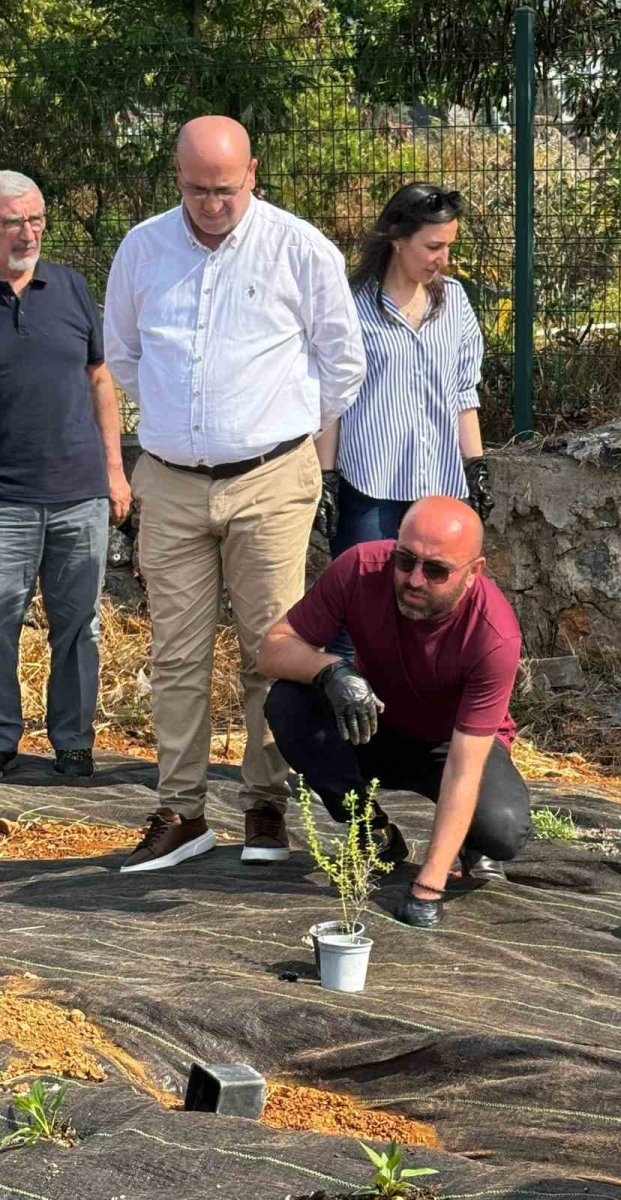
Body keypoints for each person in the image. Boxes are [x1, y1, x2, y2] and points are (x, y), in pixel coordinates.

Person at [103, 116, 366, 873]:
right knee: (175, 652)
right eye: (195, 189)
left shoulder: (299, 248)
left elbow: (340, 363)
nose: (211, 204)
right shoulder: (144, 248)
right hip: (173, 481)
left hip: (271, 478)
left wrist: (280, 433)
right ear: (175, 177)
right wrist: (183, 426)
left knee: (270, 648)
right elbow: (123, 351)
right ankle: (183, 812)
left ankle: (264, 806)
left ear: (253, 171)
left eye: (224, 189)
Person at [259, 495, 532, 928]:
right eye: (405, 560)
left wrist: (428, 888)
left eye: (437, 570)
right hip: (374, 723)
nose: (415, 579)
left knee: (502, 830)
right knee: (287, 703)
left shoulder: (493, 636)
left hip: (450, 744)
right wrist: (331, 670)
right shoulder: (360, 567)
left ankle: (470, 844)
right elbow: (272, 649)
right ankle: (372, 831)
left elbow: (463, 770)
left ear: (473, 572)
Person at [313, 182, 494, 656]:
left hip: (438, 487)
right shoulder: (350, 307)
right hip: (369, 489)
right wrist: (326, 477)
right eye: (433, 246)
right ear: (397, 238)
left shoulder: (454, 303)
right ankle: (347, 720)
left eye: (449, 246)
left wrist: (475, 466)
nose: (443, 258)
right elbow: (334, 397)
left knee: (435, 616)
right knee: (360, 613)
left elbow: (462, 392)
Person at [0, 170, 130, 780]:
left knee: (79, 626)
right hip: (6, 499)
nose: (29, 233)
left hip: (80, 493)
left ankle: (73, 741)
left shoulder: (73, 288)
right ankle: (3, 738)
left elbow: (99, 378)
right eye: (13, 223)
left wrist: (114, 471)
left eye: (37, 220)